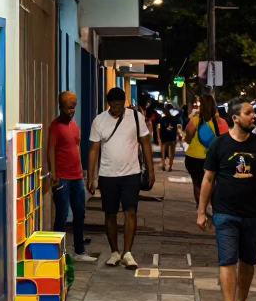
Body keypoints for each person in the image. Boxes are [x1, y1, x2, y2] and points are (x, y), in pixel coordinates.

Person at [197, 98, 256, 301]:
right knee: (227, 260)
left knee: (248, 262)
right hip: (225, 214)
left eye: (253, 113)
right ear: (235, 118)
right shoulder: (219, 144)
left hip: (253, 214)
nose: (253, 116)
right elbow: (208, 179)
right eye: (248, 113)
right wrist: (201, 211)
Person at [88, 86, 155, 268]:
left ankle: (127, 252)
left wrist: (151, 170)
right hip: (107, 174)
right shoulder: (99, 121)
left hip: (131, 173)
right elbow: (93, 149)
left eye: (119, 105)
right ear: (108, 104)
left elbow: (146, 144)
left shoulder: (135, 117)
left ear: (124, 103)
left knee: (130, 211)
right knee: (110, 214)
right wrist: (90, 176)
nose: (116, 108)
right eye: (113, 105)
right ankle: (114, 252)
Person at [48, 91, 96, 262]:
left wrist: (82, 174)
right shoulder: (55, 126)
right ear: (60, 107)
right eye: (69, 108)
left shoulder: (75, 126)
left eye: (74, 107)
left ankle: (80, 251)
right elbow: (51, 150)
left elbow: (75, 149)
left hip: (77, 177)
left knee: (80, 213)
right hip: (62, 178)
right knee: (61, 215)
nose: (72, 111)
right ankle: (57, 254)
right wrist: (53, 173)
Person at [183, 93, 228, 204]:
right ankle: (213, 208)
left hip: (194, 157)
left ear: (201, 106)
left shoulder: (195, 119)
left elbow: (187, 136)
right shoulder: (221, 122)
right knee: (212, 184)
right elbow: (226, 141)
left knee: (197, 183)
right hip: (213, 159)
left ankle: (200, 209)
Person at [157, 102, 180, 171]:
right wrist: (176, 137)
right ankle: (170, 166)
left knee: (163, 152)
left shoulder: (163, 118)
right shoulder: (174, 118)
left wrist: (160, 138)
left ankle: (163, 164)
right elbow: (175, 128)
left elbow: (161, 128)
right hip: (172, 137)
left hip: (165, 137)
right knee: (172, 152)